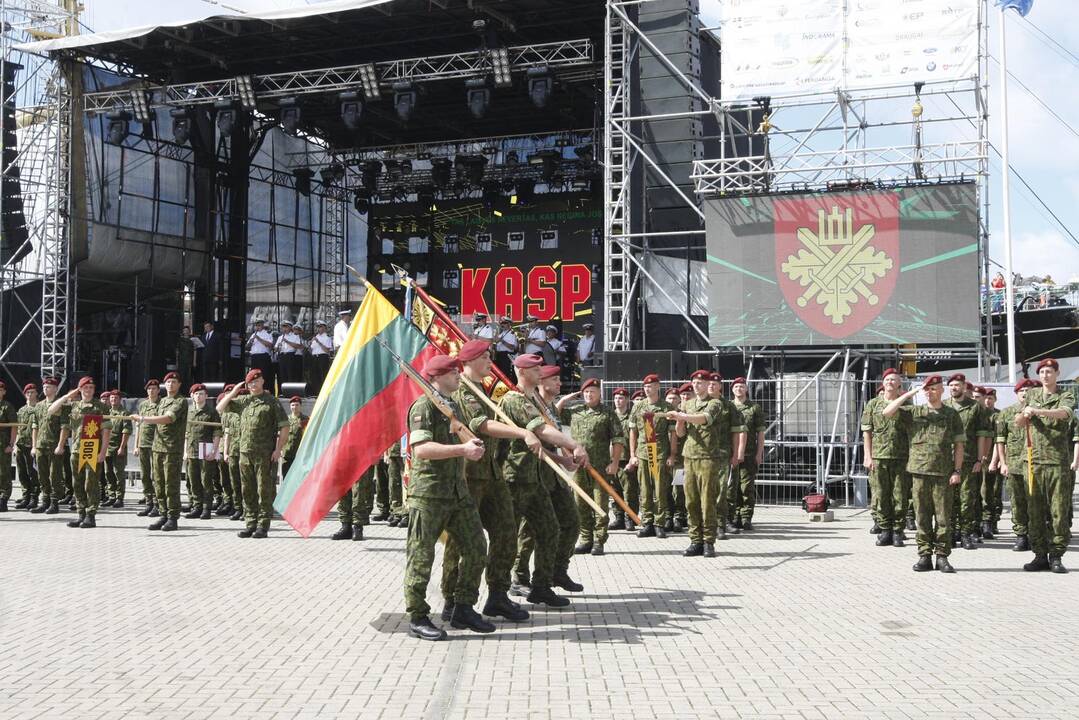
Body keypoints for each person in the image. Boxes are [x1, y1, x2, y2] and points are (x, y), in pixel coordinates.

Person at [441, 339, 541, 623]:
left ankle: (497, 594)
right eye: (485, 357)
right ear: (470, 361)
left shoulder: (486, 391)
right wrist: (522, 432)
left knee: (506, 531)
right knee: (462, 540)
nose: (490, 362)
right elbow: (481, 426)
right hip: (469, 476)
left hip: (492, 474)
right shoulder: (463, 391)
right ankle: (453, 598)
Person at [403, 354, 492, 641]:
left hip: (456, 492)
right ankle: (417, 615)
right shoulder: (424, 406)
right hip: (429, 494)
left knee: (477, 546)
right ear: (437, 376)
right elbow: (422, 449)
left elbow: (460, 437)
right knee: (421, 556)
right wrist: (462, 451)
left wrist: (471, 445)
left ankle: (464, 606)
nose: (458, 375)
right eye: (453, 372)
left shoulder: (452, 407)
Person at [499, 353, 586, 607]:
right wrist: (574, 444)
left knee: (551, 529)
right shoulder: (515, 400)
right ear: (523, 372)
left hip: (537, 477)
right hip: (516, 477)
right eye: (536, 370)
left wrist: (562, 459)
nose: (540, 373)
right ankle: (502, 591)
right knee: (510, 537)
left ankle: (542, 585)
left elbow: (545, 438)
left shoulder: (534, 400)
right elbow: (541, 431)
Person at [882, 375, 965, 573]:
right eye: (927, 389)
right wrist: (908, 394)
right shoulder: (914, 412)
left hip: (943, 473)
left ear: (941, 390)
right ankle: (924, 555)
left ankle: (942, 556)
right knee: (922, 516)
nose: (930, 392)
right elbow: (887, 412)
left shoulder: (951, 414)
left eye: (934, 388)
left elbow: (959, 444)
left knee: (944, 517)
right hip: (918, 471)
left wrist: (957, 470)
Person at [670, 370, 745, 557]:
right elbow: (680, 434)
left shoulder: (715, 404)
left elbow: (705, 419)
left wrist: (682, 416)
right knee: (691, 501)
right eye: (694, 382)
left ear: (707, 384)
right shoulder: (687, 404)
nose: (697, 385)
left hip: (708, 458)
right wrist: (680, 420)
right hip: (689, 457)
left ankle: (708, 541)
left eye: (700, 382)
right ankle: (695, 540)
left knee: (707, 501)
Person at [1016, 358, 1075, 573]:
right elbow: (1018, 422)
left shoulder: (1065, 395)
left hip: (1057, 462)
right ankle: (1040, 554)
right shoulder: (1030, 395)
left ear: (1057, 374)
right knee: (1035, 511)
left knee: (1059, 510)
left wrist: (1038, 411)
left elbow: (1065, 414)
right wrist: (1023, 414)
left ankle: (1057, 555)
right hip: (1032, 461)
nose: (1045, 376)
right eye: (1041, 372)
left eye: (1049, 372)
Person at [217, 369, 289, 539]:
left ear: (263, 381)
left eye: (256, 382)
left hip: (264, 454)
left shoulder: (272, 402)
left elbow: (284, 427)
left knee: (263, 490)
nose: (253, 385)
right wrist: (235, 391)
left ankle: (263, 526)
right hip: (244, 453)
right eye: (250, 383)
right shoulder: (243, 401)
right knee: (247, 490)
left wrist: (278, 449)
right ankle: (250, 523)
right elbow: (220, 408)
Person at [557, 377, 624, 556]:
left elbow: (618, 438)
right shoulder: (576, 411)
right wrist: (565, 399)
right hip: (579, 466)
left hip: (600, 466)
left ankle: (599, 540)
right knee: (580, 503)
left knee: (599, 503)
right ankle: (585, 538)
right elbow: (553, 415)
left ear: (599, 394)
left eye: (592, 392)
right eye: (586, 392)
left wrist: (615, 462)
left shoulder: (607, 413)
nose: (588, 395)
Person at [49, 376, 113, 529]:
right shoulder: (73, 406)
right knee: (76, 483)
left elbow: (106, 430)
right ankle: (81, 514)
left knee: (90, 483)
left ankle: (91, 515)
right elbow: (51, 410)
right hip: (77, 449)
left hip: (91, 447)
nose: (88, 390)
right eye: (85, 387)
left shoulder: (100, 406)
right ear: (80, 389)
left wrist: (103, 452)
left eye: (91, 388)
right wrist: (68, 395)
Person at [861, 368, 912, 548]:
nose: (890, 382)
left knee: (900, 495)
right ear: (883, 383)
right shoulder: (873, 404)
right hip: (879, 457)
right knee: (880, 495)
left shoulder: (906, 405)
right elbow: (867, 432)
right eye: (887, 379)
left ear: (899, 384)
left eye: (894, 380)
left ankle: (898, 530)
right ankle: (885, 530)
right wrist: (868, 456)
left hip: (901, 456)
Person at [943, 373, 993, 550]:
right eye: (951, 385)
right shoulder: (943, 406)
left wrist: (980, 459)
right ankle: (951, 533)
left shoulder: (975, 407)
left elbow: (982, 435)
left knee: (967, 498)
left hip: (968, 459)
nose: (954, 388)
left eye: (957, 385)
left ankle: (966, 534)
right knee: (948, 499)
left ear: (964, 387)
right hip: (945, 460)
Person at [133, 372, 187, 532]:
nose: (171, 384)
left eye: (174, 382)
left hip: (171, 449)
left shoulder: (181, 401)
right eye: (168, 382)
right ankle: (163, 514)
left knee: (171, 484)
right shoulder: (162, 401)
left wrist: (142, 419)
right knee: (159, 483)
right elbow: (153, 420)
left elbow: (168, 419)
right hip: (157, 447)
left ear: (179, 385)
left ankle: (172, 517)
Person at [626, 374, 678, 539]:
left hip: (659, 453)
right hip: (643, 453)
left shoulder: (666, 407)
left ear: (658, 387)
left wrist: (672, 454)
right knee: (645, 489)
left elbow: (673, 434)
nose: (647, 389)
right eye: (645, 386)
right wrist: (632, 454)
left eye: (651, 386)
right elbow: (633, 431)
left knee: (660, 489)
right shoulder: (638, 407)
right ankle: (647, 522)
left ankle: (659, 523)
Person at [992, 378, 1036, 552]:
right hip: (1015, 464)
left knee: (1036, 502)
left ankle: (1036, 535)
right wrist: (1002, 463)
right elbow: (1000, 440)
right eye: (1022, 391)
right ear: (1017, 394)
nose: (1025, 393)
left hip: (1035, 465)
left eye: (1029, 390)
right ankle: (1021, 535)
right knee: (1017, 502)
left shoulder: (1040, 411)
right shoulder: (1007, 413)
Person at [729, 376, 764, 532]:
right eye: (736, 387)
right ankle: (734, 516)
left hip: (749, 454)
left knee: (746, 487)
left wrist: (759, 453)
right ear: (732, 390)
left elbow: (760, 433)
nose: (739, 389)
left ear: (747, 389)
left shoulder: (754, 408)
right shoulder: (728, 407)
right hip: (731, 454)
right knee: (732, 487)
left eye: (742, 386)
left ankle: (746, 517)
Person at [183, 383, 221, 520]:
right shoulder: (189, 412)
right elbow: (186, 433)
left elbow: (217, 433)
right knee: (193, 480)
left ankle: (206, 508)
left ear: (206, 396)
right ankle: (197, 506)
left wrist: (215, 450)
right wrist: (185, 451)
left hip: (206, 448)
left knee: (206, 480)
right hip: (192, 449)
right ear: (192, 396)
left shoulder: (212, 412)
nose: (199, 396)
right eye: (196, 394)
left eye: (201, 394)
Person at [29, 377, 66, 515]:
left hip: (53, 445)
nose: (45, 389)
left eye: (49, 387)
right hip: (40, 445)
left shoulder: (61, 405)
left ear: (56, 389)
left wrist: (61, 445)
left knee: (54, 475)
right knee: (42, 475)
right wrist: (34, 446)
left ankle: (54, 502)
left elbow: (64, 427)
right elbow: (35, 427)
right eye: (44, 387)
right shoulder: (38, 406)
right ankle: (44, 501)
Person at [608, 387, 637, 531]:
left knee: (629, 491)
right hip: (612, 460)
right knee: (614, 491)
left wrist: (633, 457)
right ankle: (618, 517)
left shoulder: (632, 416)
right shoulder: (610, 416)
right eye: (615, 398)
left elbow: (636, 438)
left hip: (626, 458)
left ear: (627, 400)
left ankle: (630, 518)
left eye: (621, 398)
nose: (618, 401)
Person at [977, 387, 1003, 538]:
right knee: (981, 490)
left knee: (994, 490)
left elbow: (1001, 438)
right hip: (980, 457)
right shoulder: (979, 414)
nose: (988, 401)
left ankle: (993, 520)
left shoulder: (999, 415)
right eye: (986, 398)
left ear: (995, 399)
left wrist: (998, 459)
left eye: (991, 398)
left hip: (994, 457)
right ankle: (983, 521)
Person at [133, 379, 160, 517]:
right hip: (143, 443)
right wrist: (136, 445)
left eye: (154, 389)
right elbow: (138, 426)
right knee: (144, 475)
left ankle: (157, 504)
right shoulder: (143, 405)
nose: (151, 391)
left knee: (156, 475)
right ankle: (149, 502)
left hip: (156, 443)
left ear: (158, 390)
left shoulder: (161, 404)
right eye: (149, 389)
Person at [219, 384, 246, 521]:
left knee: (245, 482)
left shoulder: (248, 410)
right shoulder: (231, 413)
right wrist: (226, 451)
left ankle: (247, 509)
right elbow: (227, 434)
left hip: (247, 450)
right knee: (235, 482)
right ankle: (238, 508)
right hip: (234, 451)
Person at [102, 391, 132, 508]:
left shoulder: (124, 413)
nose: (113, 399)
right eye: (112, 397)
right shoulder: (107, 412)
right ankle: (111, 496)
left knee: (118, 474)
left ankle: (120, 498)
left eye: (116, 398)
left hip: (118, 448)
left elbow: (126, 431)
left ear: (120, 400)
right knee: (108, 473)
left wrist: (122, 447)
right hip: (107, 448)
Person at [14, 383, 40, 510]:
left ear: (36, 394)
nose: (30, 395)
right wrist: (15, 445)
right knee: (22, 472)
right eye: (28, 393)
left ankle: (34, 497)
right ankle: (26, 496)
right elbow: (18, 428)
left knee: (32, 473)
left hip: (32, 445)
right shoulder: (22, 410)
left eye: (32, 392)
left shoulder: (39, 408)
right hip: (21, 444)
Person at [0, 381, 16, 512]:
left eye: (0, 389)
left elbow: (14, 426)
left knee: (4, 472)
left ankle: (4, 499)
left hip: (3, 445)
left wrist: (11, 444)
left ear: (4, 392)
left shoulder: (7, 406)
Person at [282, 396, 306, 480]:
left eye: (297, 405)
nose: (294, 407)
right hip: (287, 454)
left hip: (299, 455)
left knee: (299, 479)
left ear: (300, 406)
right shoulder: (285, 420)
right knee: (286, 478)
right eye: (292, 405)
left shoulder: (305, 420)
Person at [246, 319, 275, 390]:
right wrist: (250, 342)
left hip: (263, 357)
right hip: (254, 357)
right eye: (256, 325)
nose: (257, 327)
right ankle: (255, 389)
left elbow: (270, 345)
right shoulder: (253, 334)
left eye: (259, 325)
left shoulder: (267, 334)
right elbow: (247, 347)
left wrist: (258, 338)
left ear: (262, 325)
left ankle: (265, 390)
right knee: (254, 374)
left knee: (264, 375)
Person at [385, 441, 408, 528]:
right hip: (393, 450)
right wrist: (386, 453)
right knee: (394, 483)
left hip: (406, 450)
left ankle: (406, 514)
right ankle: (397, 512)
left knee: (405, 484)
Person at [309, 321, 333, 393]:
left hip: (323, 357)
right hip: (314, 357)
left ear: (324, 328)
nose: (318, 329)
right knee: (315, 375)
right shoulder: (315, 337)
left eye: (320, 327)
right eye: (317, 327)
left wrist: (318, 342)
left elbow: (327, 350)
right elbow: (311, 349)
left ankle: (324, 392)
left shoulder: (327, 338)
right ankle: (316, 392)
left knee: (323, 375)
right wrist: (310, 343)